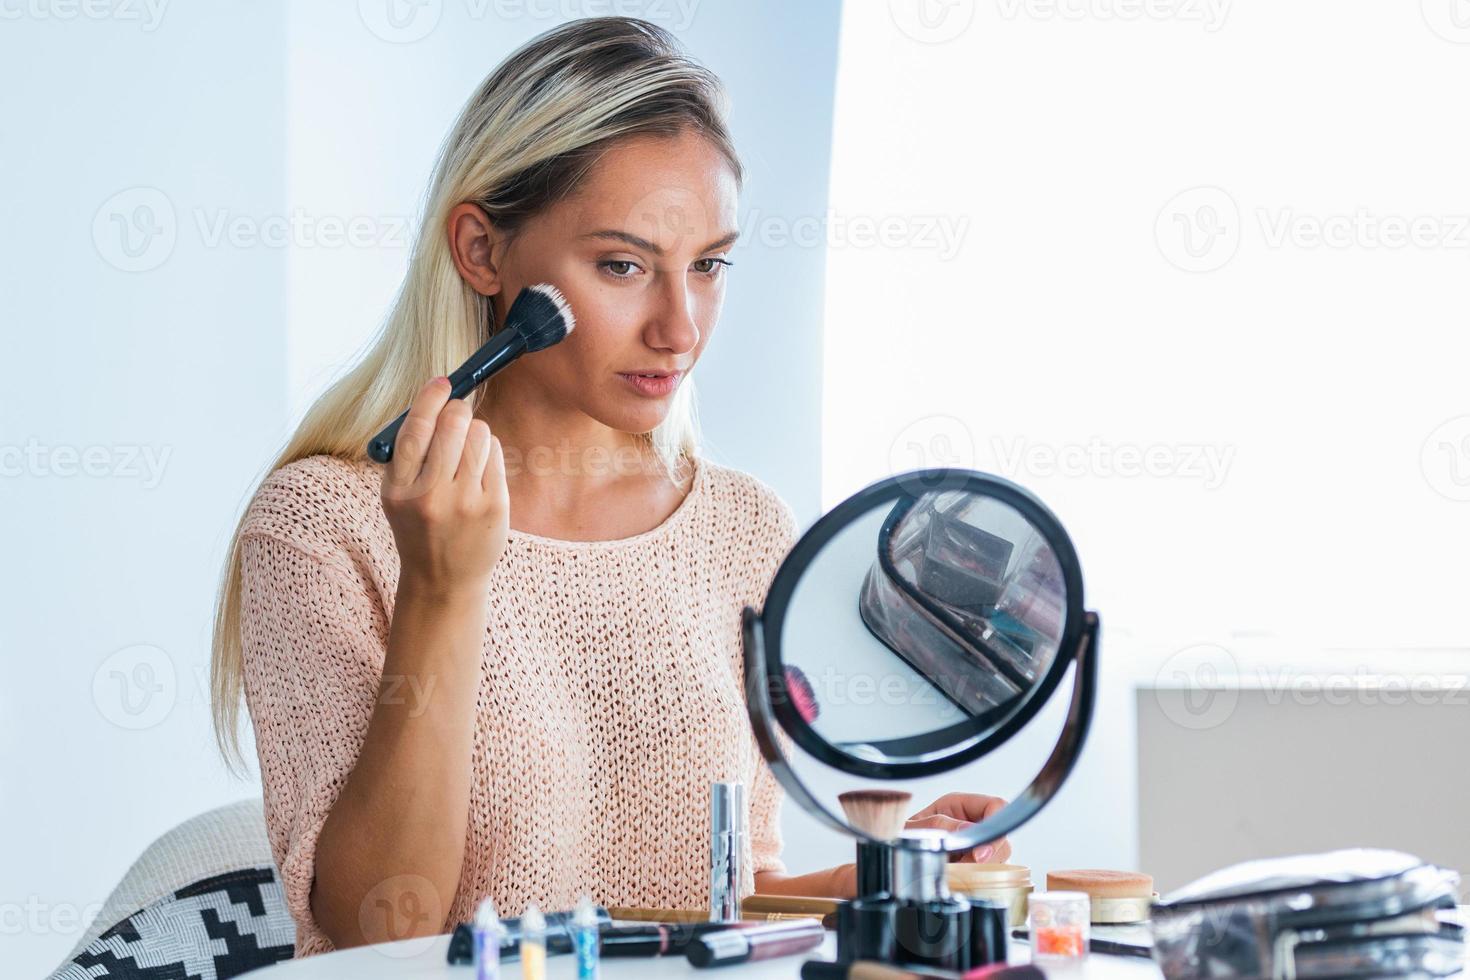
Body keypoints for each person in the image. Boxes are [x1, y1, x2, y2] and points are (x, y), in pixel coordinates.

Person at [208, 17, 1011, 958]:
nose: (680, 328)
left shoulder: (745, 529)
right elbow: (381, 932)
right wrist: (442, 588)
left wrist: (888, 873)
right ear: (481, 250)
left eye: (708, 265)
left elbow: (729, 896)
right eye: (623, 266)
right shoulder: (323, 530)